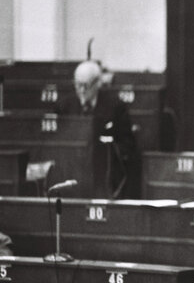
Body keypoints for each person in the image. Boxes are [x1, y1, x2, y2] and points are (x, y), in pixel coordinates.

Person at [56, 61, 140, 198]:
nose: (82, 90)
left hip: (103, 173)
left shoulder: (115, 107)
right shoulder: (65, 106)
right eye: (78, 85)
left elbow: (128, 144)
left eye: (86, 86)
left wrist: (107, 150)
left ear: (97, 83)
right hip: (72, 170)